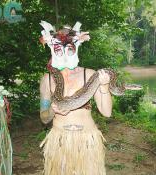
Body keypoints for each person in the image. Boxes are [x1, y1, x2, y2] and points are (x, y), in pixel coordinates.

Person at [39, 21, 112, 175]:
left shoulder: (91, 75)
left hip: (87, 142)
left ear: (76, 46)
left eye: (69, 48)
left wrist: (105, 87)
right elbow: (44, 118)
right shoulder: (47, 79)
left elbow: (106, 112)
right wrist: (53, 110)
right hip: (59, 142)